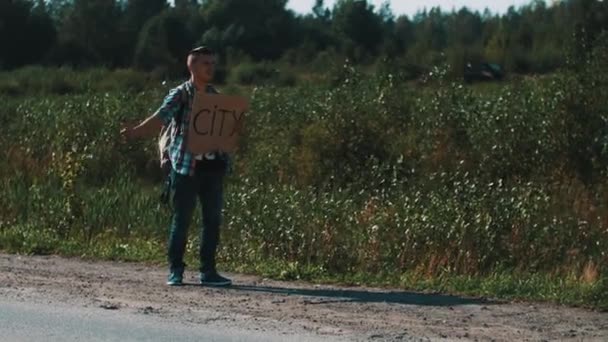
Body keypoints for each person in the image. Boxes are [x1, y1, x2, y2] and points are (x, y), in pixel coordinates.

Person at [120, 46, 232, 287]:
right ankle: (176, 271)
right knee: (182, 220)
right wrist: (136, 132)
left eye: (213, 63)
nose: (211, 68)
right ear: (192, 66)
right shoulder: (180, 94)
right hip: (185, 168)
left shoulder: (216, 95)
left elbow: (223, 131)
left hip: (212, 168)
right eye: (206, 63)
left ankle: (208, 272)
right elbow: (161, 117)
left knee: (212, 221)